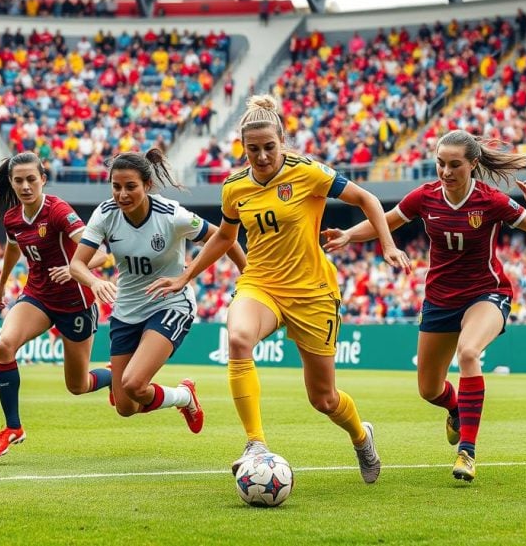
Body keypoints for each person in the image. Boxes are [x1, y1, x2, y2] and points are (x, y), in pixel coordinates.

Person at [147, 95, 410, 484]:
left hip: (312, 293)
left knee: (324, 399)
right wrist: (187, 274)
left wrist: (387, 245)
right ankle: (255, 444)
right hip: (261, 284)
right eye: (253, 149)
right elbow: (224, 237)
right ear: (243, 148)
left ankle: (360, 435)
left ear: (282, 141)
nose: (263, 156)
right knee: (237, 338)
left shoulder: (308, 172)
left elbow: (367, 199)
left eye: (269, 147)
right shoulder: (235, 187)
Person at [322, 130, 526, 483]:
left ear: (473, 164)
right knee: (429, 389)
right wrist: (347, 235)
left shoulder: (491, 201)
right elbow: (383, 222)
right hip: (439, 299)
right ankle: (455, 409)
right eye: (440, 164)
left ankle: (467, 452)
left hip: (486, 293)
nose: (446, 172)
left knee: (468, 353)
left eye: (454, 165)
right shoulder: (425, 197)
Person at [69, 149, 246, 431]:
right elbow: (76, 265)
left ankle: (172, 393)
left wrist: (242, 275)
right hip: (126, 310)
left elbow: (226, 239)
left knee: (133, 383)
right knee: (127, 407)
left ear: (147, 185)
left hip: (169, 304)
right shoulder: (105, 213)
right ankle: (184, 396)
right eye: (116, 187)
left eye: (130, 187)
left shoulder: (172, 215)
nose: (122, 194)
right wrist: (94, 281)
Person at [0, 152, 112, 458]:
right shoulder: (12, 218)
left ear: (43, 179)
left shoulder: (58, 211)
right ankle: (13, 427)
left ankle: (113, 375)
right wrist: (2, 281)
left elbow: (100, 253)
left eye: (31, 179)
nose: (25, 186)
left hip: (76, 302)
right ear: (11, 182)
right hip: (38, 296)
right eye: (18, 180)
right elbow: (12, 248)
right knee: (5, 345)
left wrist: (75, 267)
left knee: (78, 386)